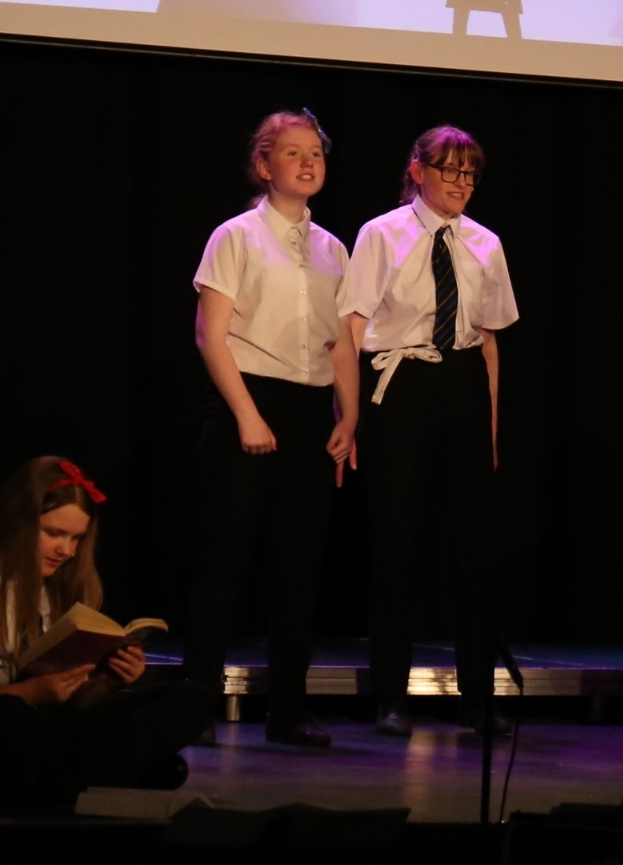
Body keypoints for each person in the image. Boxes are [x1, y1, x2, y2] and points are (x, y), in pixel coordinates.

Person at [182, 109, 359, 748]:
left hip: (310, 411)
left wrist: (349, 417)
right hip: (247, 400)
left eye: (316, 153)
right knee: (225, 560)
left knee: (298, 567)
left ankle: (287, 710)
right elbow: (211, 334)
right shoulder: (236, 236)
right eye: (292, 152)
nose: (308, 163)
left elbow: (341, 343)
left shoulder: (333, 248)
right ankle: (194, 705)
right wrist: (247, 414)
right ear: (263, 164)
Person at [0, 457, 213, 805]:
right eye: (54, 534)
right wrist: (27, 693)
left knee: (190, 697)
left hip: (37, 733)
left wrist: (108, 684)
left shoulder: (51, 592)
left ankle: (65, 777)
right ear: (17, 524)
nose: (67, 551)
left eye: (76, 538)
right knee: (8, 714)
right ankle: (94, 773)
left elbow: (66, 702)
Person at [342, 125, 518, 738]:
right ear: (418, 171)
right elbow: (353, 325)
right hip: (402, 384)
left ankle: (477, 697)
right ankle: (391, 695)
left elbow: (489, 339)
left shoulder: (485, 243)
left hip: (462, 384)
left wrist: (489, 426)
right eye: (450, 170)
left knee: (475, 546)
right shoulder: (381, 234)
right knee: (396, 542)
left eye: (470, 173)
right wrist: (350, 414)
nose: (462, 183)